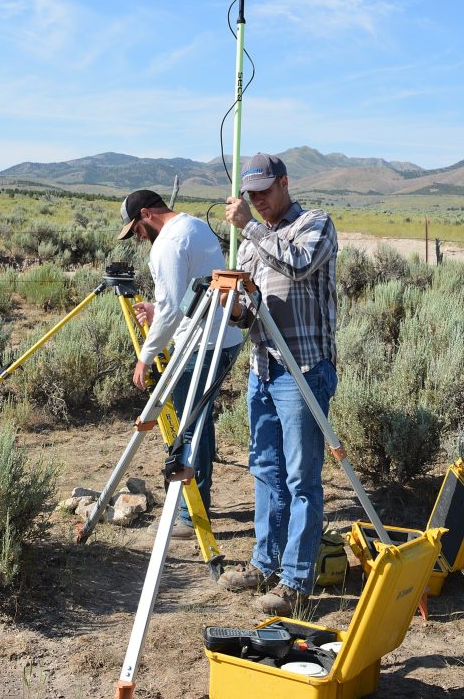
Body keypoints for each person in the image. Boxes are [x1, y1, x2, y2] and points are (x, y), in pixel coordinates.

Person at [220, 153, 338, 616]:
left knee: (301, 477)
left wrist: (250, 226)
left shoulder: (315, 224)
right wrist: (234, 306)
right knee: (265, 470)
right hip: (262, 366)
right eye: (250, 196)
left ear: (285, 183)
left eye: (264, 193)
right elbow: (252, 301)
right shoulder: (252, 237)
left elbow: (299, 266)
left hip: (303, 371)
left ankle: (295, 581)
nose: (257, 202)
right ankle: (265, 563)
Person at [118, 189, 242, 538]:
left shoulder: (167, 244)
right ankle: (196, 502)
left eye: (136, 229)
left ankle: (191, 515)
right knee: (198, 421)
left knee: (190, 427)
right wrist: (159, 311)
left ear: (146, 213)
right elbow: (194, 289)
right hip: (223, 338)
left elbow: (173, 309)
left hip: (201, 345)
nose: (139, 238)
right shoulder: (194, 226)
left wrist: (146, 356)